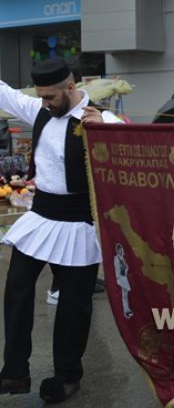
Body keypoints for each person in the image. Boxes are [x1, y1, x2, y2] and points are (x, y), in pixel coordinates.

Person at [0, 58, 121, 402]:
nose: (44, 103)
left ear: (70, 88)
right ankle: (14, 372)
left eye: (50, 96)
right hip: (41, 217)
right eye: (40, 96)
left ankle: (68, 377)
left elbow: (131, 150)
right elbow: (4, 94)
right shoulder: (41, 111)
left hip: (80, 223)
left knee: (74, 306)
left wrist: (106, 133)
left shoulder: (102, 119)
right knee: (18, 289)